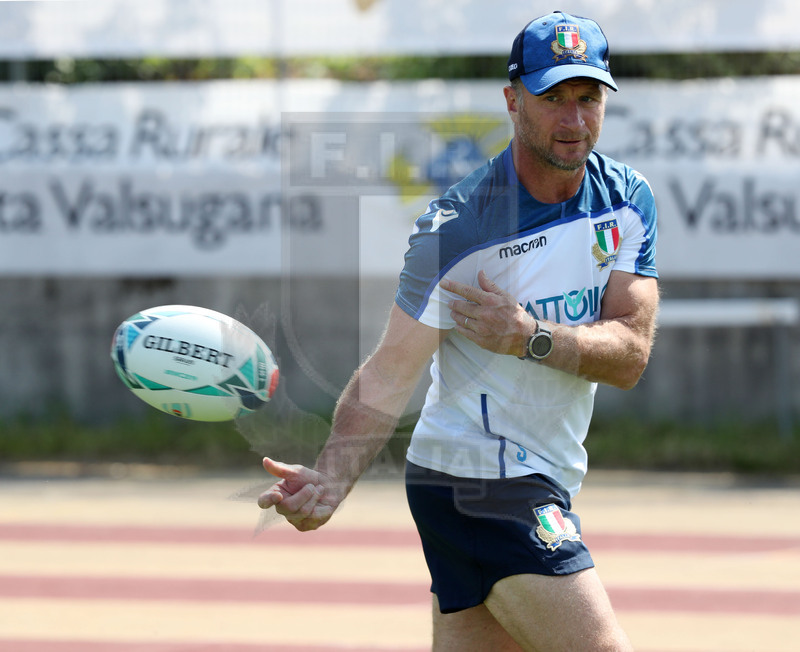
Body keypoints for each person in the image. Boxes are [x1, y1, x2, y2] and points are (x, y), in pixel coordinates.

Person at [258, 11, 658, 651]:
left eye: (587, 98)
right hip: (479, 482)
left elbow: (630, 355)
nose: (573, 118)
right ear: (512, 100)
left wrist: (528, 334)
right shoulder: (460, 228)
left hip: (540, 473)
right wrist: (332, 478)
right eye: (551, 97)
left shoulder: (626, 201)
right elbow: (392, 369)